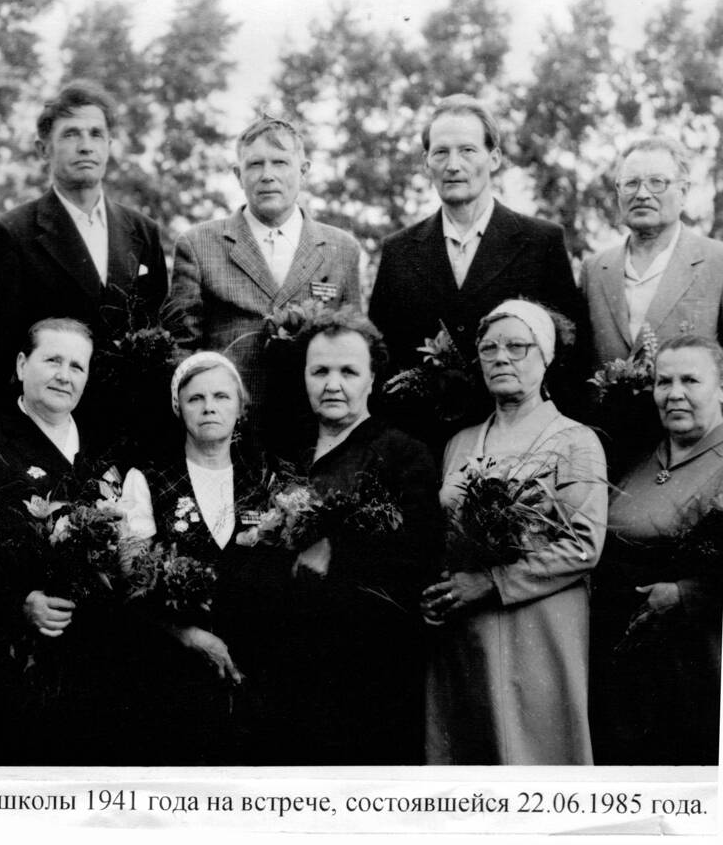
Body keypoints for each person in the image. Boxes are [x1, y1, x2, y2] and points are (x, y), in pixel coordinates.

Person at [0, 317, 153, 764]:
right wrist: (18, 601)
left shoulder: (105, 448)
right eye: (52, 360)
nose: (64, 375)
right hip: (14, 664)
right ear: (21, 363)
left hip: (94, 661)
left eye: (77, 366)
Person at [422, 299, 607, 765]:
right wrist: (440, 592)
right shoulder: (460, 442)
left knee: (535, 753)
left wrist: (493, 582)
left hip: (540, 624)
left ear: (545, 358)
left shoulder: (573, 439)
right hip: (465, 626)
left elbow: (584, 545)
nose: (501, 357)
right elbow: (445, 533)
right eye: (489, 348)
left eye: (517, 347)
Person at [368, 95, 584, 446]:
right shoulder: (399, 251)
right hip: (422, 447)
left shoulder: (541, 242)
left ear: (494, 157)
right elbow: (381, 362)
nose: (453, 165)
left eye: (468, 150)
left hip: (521, 449)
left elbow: (570, 359)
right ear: (426, 163)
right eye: (441, 153)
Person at [278, 309, 441, 764]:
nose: (333, 383)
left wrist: (338, 555)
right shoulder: (288, 454)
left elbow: (421, 554)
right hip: (293, 664)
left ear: (373, 378)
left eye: (349, 371)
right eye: (320, 371)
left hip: (370, 667)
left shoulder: (402, 452)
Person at [0, 79, 168, 420]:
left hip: (127, 431)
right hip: (41, 428)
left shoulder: (143, 232)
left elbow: (156, 341)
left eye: (96, 134)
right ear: (44, 150)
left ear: (110, 145)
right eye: (71, 134)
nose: (86, 146)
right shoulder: (11, 234)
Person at [120, 352, 279, 763]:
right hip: (173, 669)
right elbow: (132, 582)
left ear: (240, 408)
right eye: (196, 398)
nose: (209, 406)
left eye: (222, 397)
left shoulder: (264, 477)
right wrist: (187, 636)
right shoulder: (147, 478)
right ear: (178, 407)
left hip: (252, 670)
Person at [169, 114, 361, 451]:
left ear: (303, 170)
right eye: (255, 164)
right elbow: (181, 351)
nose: (267, 175)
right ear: (237, 174)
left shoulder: (341, 249)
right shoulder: (199, 245)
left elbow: (354, 349)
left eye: (281, 163)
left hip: (314, 434)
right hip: (227, 438)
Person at [590, 334, 723, 765]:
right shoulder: (641, 457)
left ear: (721, 387)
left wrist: (686, 593)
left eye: (691, 380)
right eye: (664, 382)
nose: (675, 393)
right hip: (625, 654)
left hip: (695, 659)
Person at [580, 137, 723, 473]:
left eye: (657, 182)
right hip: (611, 449)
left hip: (696, 447)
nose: (642, 194)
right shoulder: (595, 269)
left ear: (684, 191)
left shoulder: (717, 261)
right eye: (631, 183)